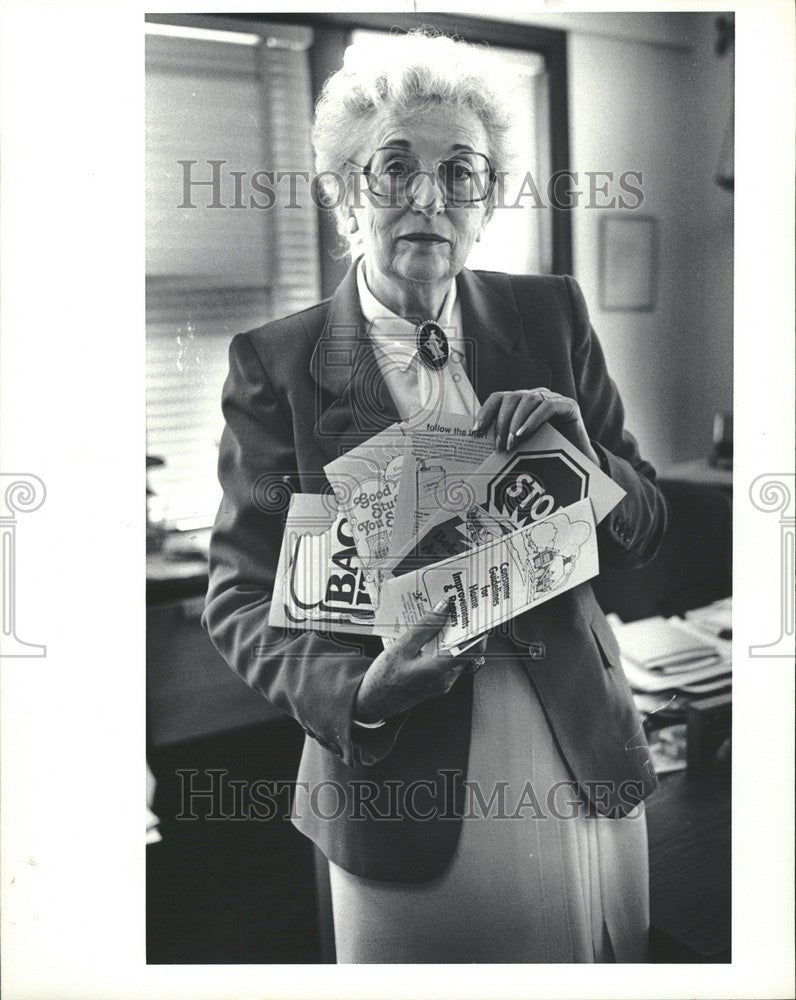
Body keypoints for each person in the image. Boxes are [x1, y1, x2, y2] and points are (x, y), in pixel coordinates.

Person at [203, 31, 668, 963]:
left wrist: (592, 468)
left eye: (460, 172)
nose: (428, 197)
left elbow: (643, 529)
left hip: (577, 748)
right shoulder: (279, 364)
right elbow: (241, 598)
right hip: (396, 776)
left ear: (488, 200)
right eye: (393, 168)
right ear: (344, 193)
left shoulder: (552, 317)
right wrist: (362, 694)